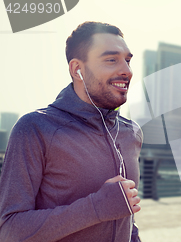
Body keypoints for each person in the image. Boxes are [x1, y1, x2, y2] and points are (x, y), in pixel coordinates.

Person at [0, 21, 143, 241]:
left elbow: (125, 218)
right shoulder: (35, 129)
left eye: (127, 60)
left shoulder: (131, 132)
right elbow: (9, 231)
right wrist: (96, 207)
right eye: (111, 60)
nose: (126, 71)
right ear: (78, 70)